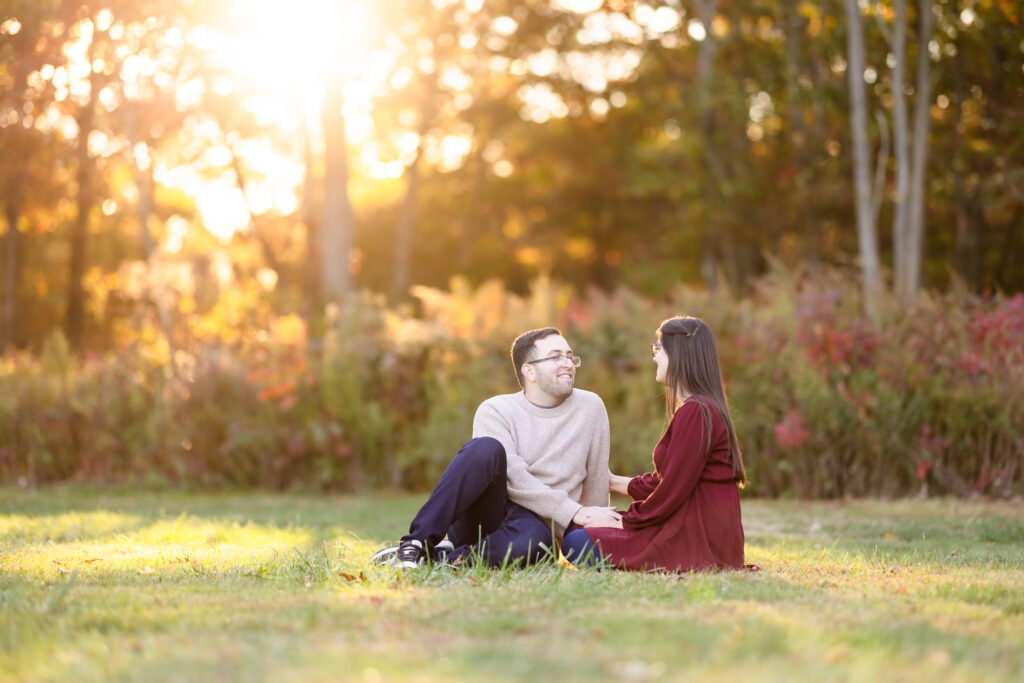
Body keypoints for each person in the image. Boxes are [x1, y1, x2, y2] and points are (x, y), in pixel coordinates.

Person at [371, 327, 618, 569]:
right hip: (486, 515)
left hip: (534, 533)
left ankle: (443, 558)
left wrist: (594, 529)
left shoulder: (591, 407)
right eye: (556, 356)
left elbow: (596, 474)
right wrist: (575, 512)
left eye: (569, 355)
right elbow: (515, 477)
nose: (567, 363)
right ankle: (416, 543)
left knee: (538, 541)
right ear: (529, 371)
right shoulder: (496, 409)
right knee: (485, 448)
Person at [561, 316, 746, 572]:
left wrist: (627, 522)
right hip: (696, 527)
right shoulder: (700, 408)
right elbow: (668, 481)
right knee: (580, 528)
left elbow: (671, 491)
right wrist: (611, 480)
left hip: (697, 537)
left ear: (679, 353)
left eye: (658, 348)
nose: (654, 357)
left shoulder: (697, 412)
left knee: (576, 540)